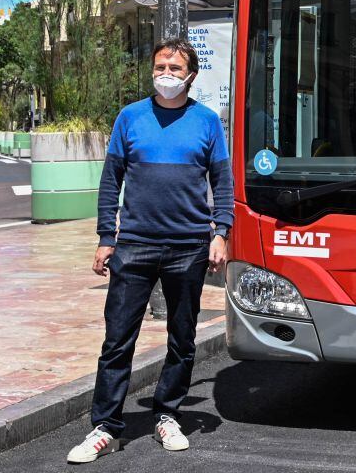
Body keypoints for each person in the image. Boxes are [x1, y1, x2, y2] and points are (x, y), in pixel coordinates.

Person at [66, 38, 234, 464]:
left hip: (188, 248)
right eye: (161, 66)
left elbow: (223, 183)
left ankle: (167, 415)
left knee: (182, 339)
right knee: (118, 340)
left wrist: (221, 233)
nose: (167, 74)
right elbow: (111, 181)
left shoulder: (207, 122)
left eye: (176, 68)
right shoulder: (130, 117)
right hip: (135, 247)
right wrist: (107, 237)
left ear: (191, 75)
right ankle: (106, 427)